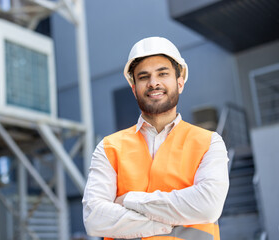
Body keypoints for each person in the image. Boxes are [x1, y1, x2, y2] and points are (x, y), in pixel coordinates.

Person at [82, 36, 229, 240]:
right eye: (143, 77)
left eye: (162, 73)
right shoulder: (109, 148)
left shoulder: (208, 142)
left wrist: (128, 199)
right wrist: (171, 223)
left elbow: (208, 206)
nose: (153, 83)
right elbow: (94, 219)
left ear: (180, 83)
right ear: (134, 90)